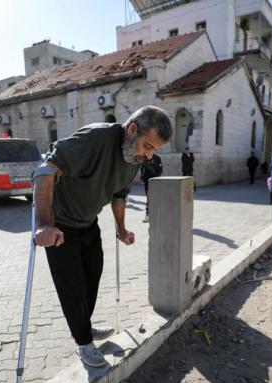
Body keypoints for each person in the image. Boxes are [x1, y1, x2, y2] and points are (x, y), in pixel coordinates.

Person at [32, 106, 172, 368]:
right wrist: (44, 225)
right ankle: (83, 343)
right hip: (60, 225)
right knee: (72, 287)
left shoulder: (133, 158)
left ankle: (84, 326)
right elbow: (45, 171)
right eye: (148, 145)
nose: (149, 155)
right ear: (132, 130)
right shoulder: (94, 139)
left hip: (88, 222)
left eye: (154, 150)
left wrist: (121, 229)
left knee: (92, 278)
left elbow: (119, 194)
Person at [140, 152, 163, 223]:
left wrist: (156, 177)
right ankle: (148, 215)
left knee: (156, 198)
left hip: (155, 182)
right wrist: (143, 178)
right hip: (147, 182)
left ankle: (157, 215)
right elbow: (142, 169)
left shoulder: (157, 158)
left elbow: (160, 170)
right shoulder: (145, 159)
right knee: (148, 198)